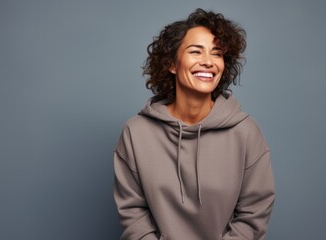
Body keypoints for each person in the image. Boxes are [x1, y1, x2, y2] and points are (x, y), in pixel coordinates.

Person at [113, 8, 275, 240]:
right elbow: (132, 212)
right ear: (171, 64)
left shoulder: (246, 132)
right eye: (196, 51)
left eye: (217, 54)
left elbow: (254, 212)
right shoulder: (136, 133)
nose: (208, 62)